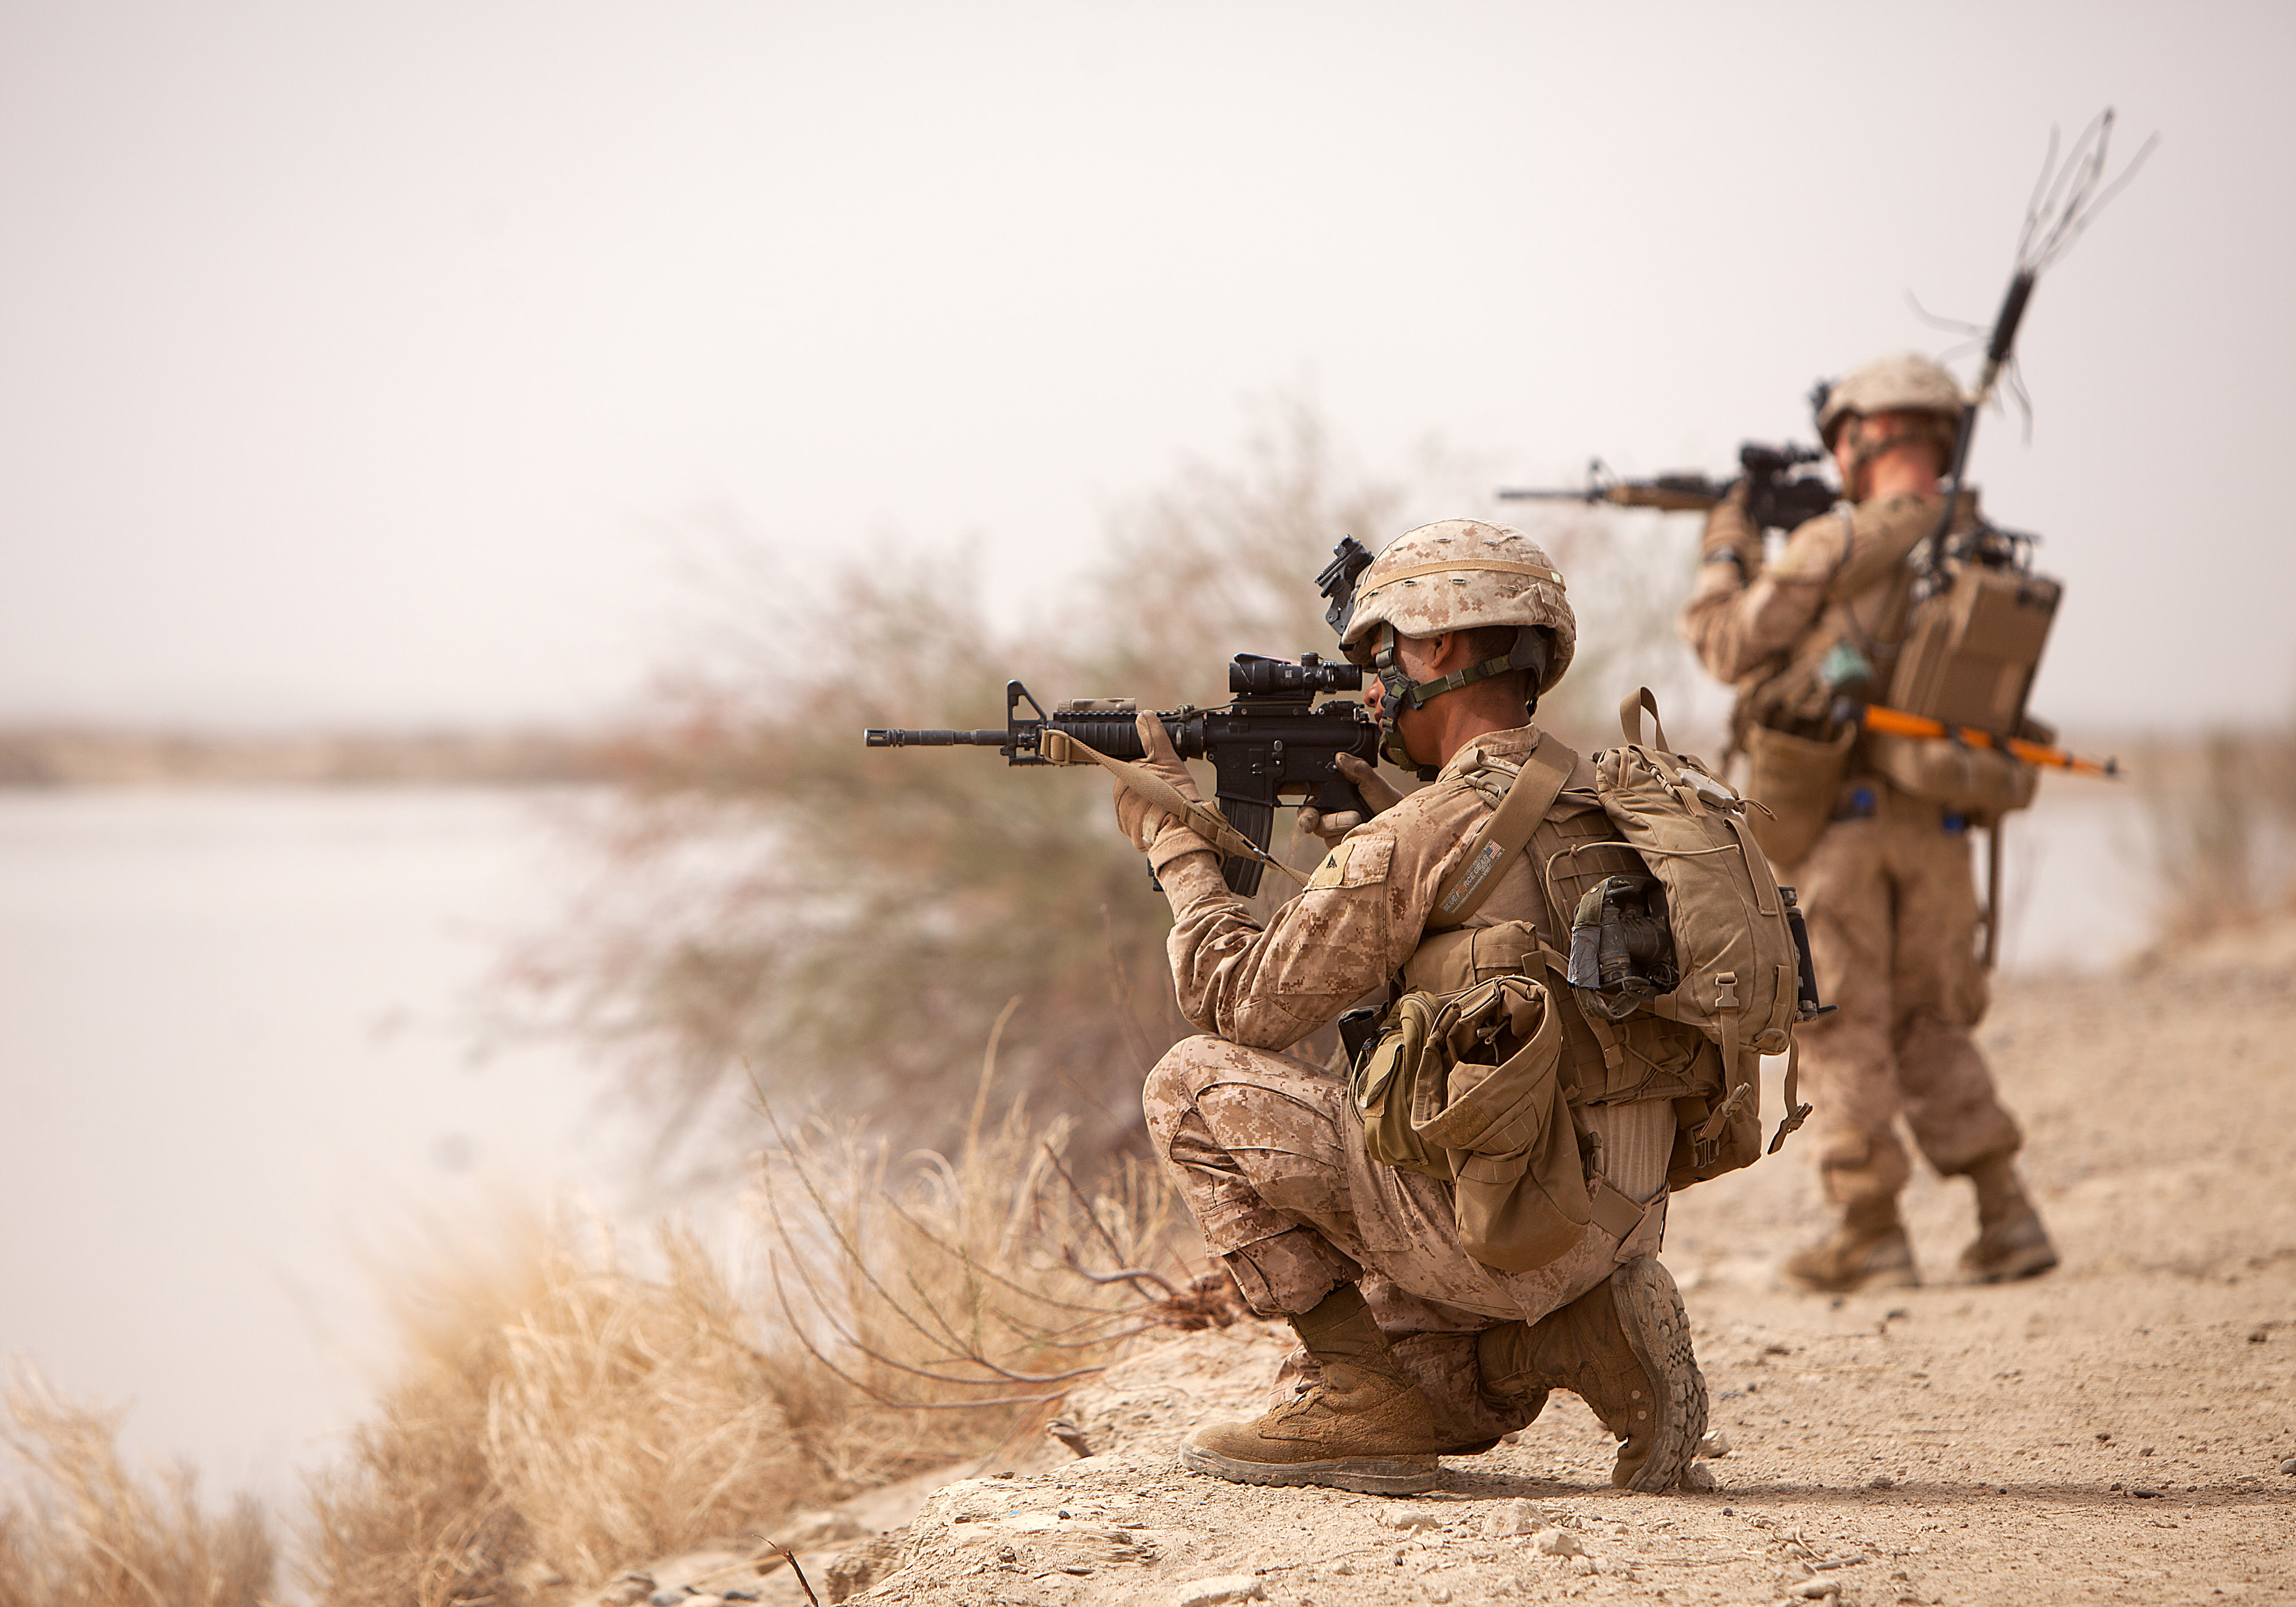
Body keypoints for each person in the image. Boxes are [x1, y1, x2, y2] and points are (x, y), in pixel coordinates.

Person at [1106, 519, 1713, 1497]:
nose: (1373, 683)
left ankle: (1355, 1390)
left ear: (1438, 646)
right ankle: (1592, 1334)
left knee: (1186, 1084)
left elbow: (1237, 1003)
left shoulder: (1424, 832)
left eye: (1383, 652)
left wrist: (1176, 845)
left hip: (1504, 1230)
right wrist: (1387, 825)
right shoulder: (1605, 799)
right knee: (1443, 1396)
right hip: (1615, 1221)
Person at [1677, 353, 2060, 1294]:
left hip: (1839, 832)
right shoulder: (1972, 543)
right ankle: (2005, 1211)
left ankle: (1869, 1229)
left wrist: (1727, 543)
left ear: (1863, 437)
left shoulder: (1838, 544)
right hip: (1937, 831)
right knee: (1932, 1023)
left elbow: (1724, 641)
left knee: (1838, 1023)